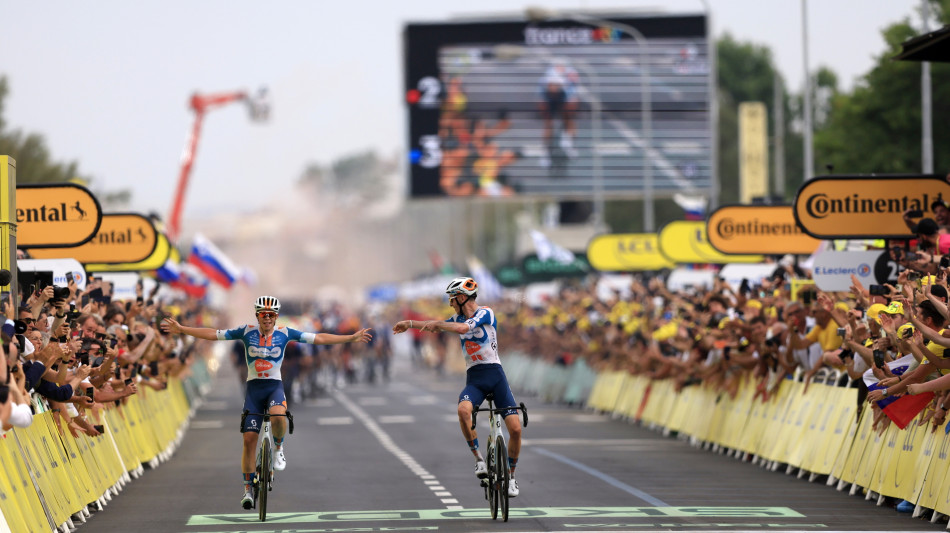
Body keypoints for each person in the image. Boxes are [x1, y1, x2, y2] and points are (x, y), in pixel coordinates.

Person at [161, 295, 373, 510]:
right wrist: (182, 329)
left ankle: (278, 448)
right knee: (249, 440)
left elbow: (318, 339)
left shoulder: (285, 333)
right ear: (257, 315)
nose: (268, 318)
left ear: (276, 316)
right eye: (264, 315)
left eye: (271, 315)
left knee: (279, 415)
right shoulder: (246, 331)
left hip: (274, 387)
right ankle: (247, 489)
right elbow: (214, 335)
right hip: (254, 389)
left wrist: (349, 338)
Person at [392, 277, 524, 498]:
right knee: (463, 411)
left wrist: (439, 325)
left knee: (516, 429)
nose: (450, 303)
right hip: (475, 378)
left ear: (462, 298)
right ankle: (479, 460)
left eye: (452, 299)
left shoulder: (486, 313)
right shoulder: (455, 317)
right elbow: (436, 323)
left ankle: (511, 477)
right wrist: (410, 324)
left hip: (496, 375)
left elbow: (462, 328)